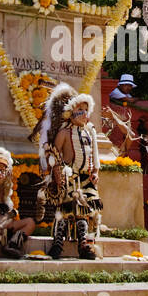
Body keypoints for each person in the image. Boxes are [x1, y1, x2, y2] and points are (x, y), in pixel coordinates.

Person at [38, 84, 103, 260]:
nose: (83, 113)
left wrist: (95, 171)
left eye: (85, 110)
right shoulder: (64, 133)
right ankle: (57, 243)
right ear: (70, 113)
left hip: (85, 178)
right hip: (68, 177)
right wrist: (56, 172)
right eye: (79, 110)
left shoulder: (90, 133)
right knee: (65, 210)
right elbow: (54, 154)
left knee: (85, 211)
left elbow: (95, 155)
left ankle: (84, 244)